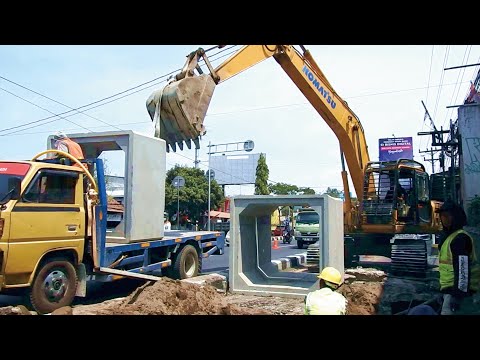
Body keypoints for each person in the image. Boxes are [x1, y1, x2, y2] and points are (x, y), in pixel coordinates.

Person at [436, 200, 480, 315]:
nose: (445, 219)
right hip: (450, 292)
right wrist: (442, 291)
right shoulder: (449, 237)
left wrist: (457, 296)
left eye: (448, 216)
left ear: (456, 217)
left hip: (458, 295)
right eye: (443, 216)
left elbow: (463, 270)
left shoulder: (459, 238)